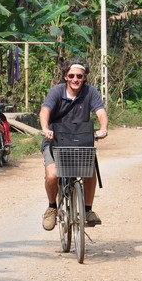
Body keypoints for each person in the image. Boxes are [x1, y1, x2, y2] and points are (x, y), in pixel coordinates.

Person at [39, 58, 108, 231]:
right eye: (71, 76)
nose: (75, 79)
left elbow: (100, 112)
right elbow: (45, 111)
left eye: (79, 76)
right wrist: (45, 128)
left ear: (84, 78)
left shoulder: (90, 92)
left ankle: (88, 209)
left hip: (80, 139)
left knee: (89, 169)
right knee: (52, 175)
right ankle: (52, 207)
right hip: (55, 139)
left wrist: (104, 128)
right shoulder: (56, 92)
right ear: (65, 77)